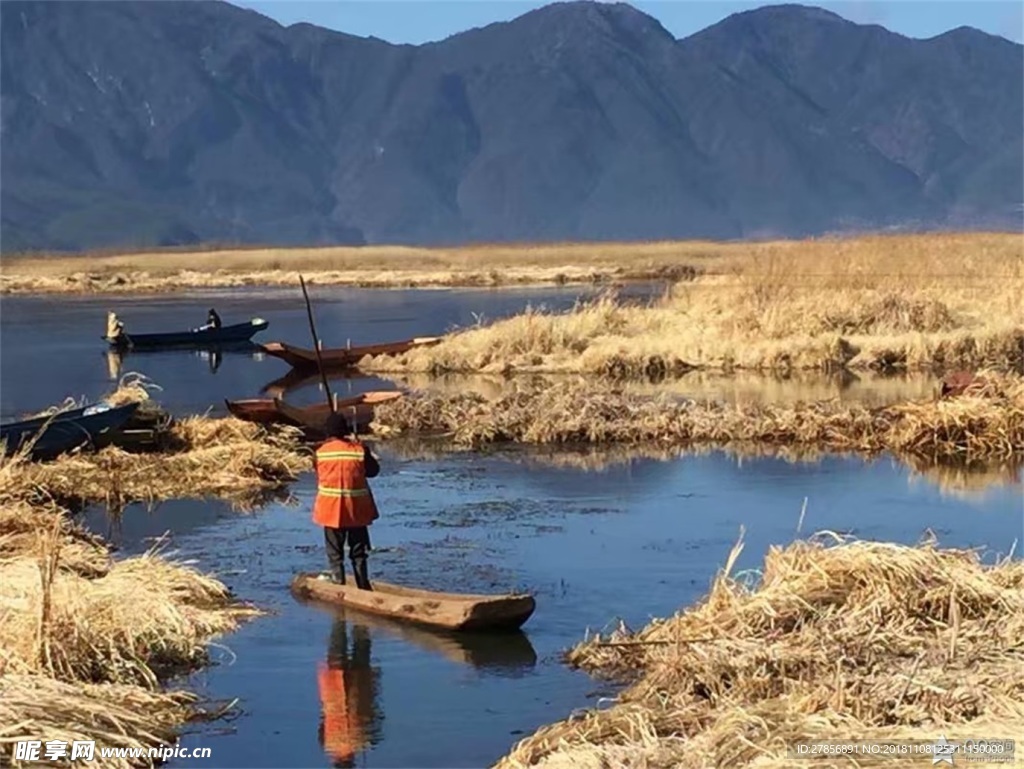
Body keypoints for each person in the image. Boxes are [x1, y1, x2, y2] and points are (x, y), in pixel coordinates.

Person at [312, 412, 380, 590]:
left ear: (328, 432)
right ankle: (363, 585)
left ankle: (338, 583)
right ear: (346, 431)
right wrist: (363, 449)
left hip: (331, 510)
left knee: (335, 553)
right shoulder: (358, 451)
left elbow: (319, 474)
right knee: (358, 552)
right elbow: (373, 471)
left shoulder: (320, 453)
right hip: (356, 510)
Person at [316, 618, 382, 768]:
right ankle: (341, 610)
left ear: (352, 761)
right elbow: (322, 721)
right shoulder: (327, 744)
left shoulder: (364, 740)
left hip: (361, 685)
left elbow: (376, 717)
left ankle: (360, 618)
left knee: (361, 644)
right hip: (334, 686)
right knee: (337, 638)